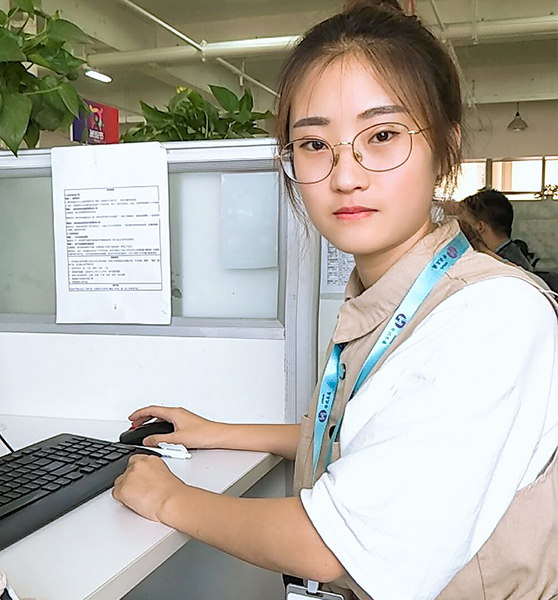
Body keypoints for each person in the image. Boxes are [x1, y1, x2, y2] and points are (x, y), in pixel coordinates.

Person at [112, 2, 558, 599]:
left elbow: (332, 545)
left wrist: (169, 498)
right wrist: (217, 431)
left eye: (382, 136)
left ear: (445, 146)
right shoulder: (386, 293)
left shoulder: (493, 317)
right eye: (314, 143)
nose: (345, 176)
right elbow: (363, 436)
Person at [461, 188, 558, 293]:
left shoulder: (501, 268)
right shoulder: (514, 254)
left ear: (479, 227)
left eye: (464, 224)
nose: (461, 230)